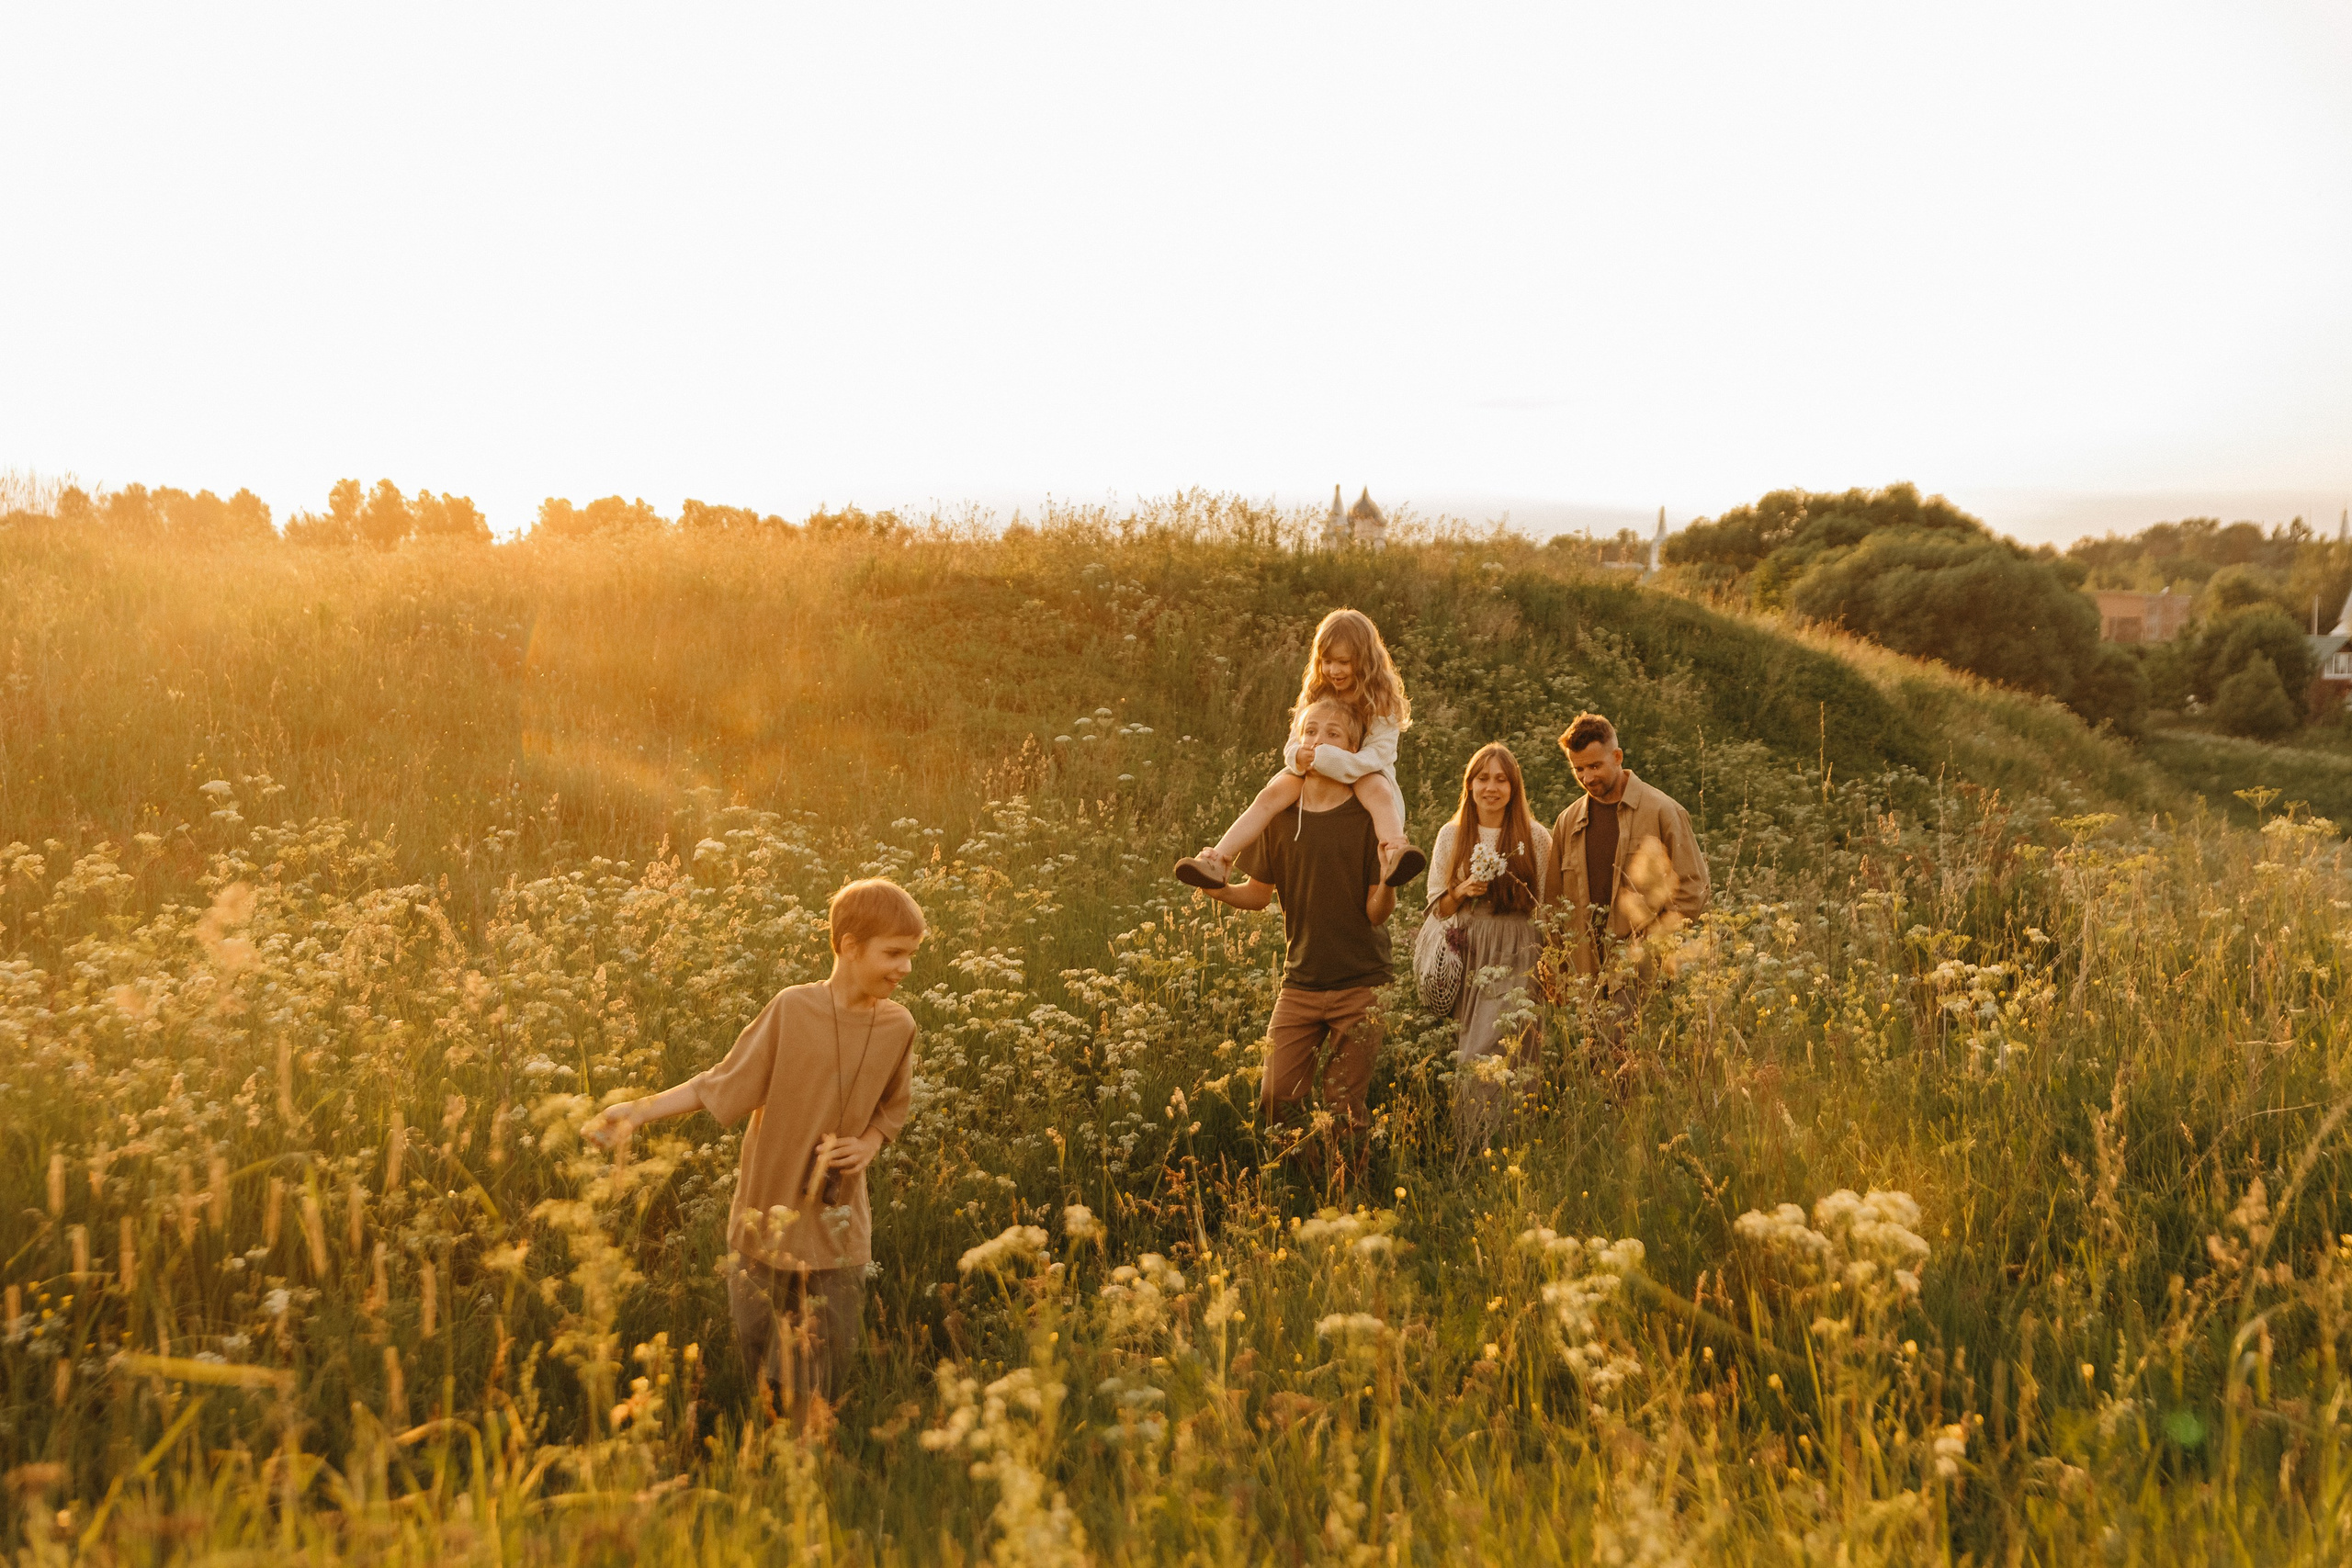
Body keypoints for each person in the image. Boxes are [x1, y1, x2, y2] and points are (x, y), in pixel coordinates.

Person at [587, 877, 924, 1421]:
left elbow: (894, 1104)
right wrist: (640, 1110)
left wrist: (869, 1142)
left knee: (821, 1363)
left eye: (912, 955)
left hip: (838, 1229)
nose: (905, 968)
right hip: (763, 1221)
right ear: (849, 945)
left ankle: (806, 1460)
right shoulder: (793, 1010)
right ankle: (770, 1454)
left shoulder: (898, 1025)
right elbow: (718, 1084)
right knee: (760, 1350)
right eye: (894, 953)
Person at [1192, 696, 1398, 1190]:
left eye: (1333, 734)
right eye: (1311, 731)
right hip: (1300, 983)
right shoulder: (1283, 815)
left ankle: (1352, 1199)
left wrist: (1390, 882)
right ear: (1296, 743)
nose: (1319, 740)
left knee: (1343, 1103)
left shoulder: (1366, 816)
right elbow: (1259, 896)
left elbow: (1376, 913)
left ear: (1352, 751)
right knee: (1276, 1094)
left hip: (1362, 982)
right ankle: (1307, 1186)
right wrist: (1215, 889)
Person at [1174, 607, 1428, 891]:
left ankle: (1394, 852)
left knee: (1379, 791)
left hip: (1364, 771)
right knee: (1271, 794)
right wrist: (1297, 756)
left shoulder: (1380, 699)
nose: (1334, 670)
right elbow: (1294, 740)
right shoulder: (1317, 692)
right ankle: (1218, 860)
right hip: (1311, 769)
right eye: (1327, 661)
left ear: (1365, 660)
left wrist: (1330, 758)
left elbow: (1378, 755)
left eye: (1343, 662)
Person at [1541, 714, 1709, 1063]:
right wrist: (1556, 966)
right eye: (1578, 770)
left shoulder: (1663, 810)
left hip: (1638, 969)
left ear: (1618, 757)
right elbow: (1553, 904)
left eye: (1595, 766)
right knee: (1594, 1065)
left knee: (1631, 1064)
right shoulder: (1567, 822)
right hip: (1586, 970)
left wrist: (1655, 945)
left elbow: (1693, 889)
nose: (1587, 778)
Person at [1421, 742, 1552, 1144]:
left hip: (1519, 943)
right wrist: (1461, 891)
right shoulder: (1452, 834)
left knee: (1515, 1046)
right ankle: (1474, 1142)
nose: (1491, 787)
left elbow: (1546, 907)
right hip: (1472, 946)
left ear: (1514, 788)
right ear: (1470, 785)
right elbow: (1436, 908)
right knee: (1476, 1047)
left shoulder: (1535, 835)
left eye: (1501, 779)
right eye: (1483, 778)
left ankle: (1517, 1142)